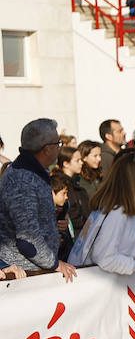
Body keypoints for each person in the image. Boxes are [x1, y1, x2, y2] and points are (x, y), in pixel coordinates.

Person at [0, 119, 77, 280]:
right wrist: (54, 264)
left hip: (37, 269)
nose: (60, 147)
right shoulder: (22, 180)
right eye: (58, 143)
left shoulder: (36, 173)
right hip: (25, 275)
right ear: (47, 149)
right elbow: (27, 240)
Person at [68, 150, 135, 274]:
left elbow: (130, 247)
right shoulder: (116, 212)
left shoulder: (131, 208)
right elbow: (104, 258)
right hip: (88, 280)